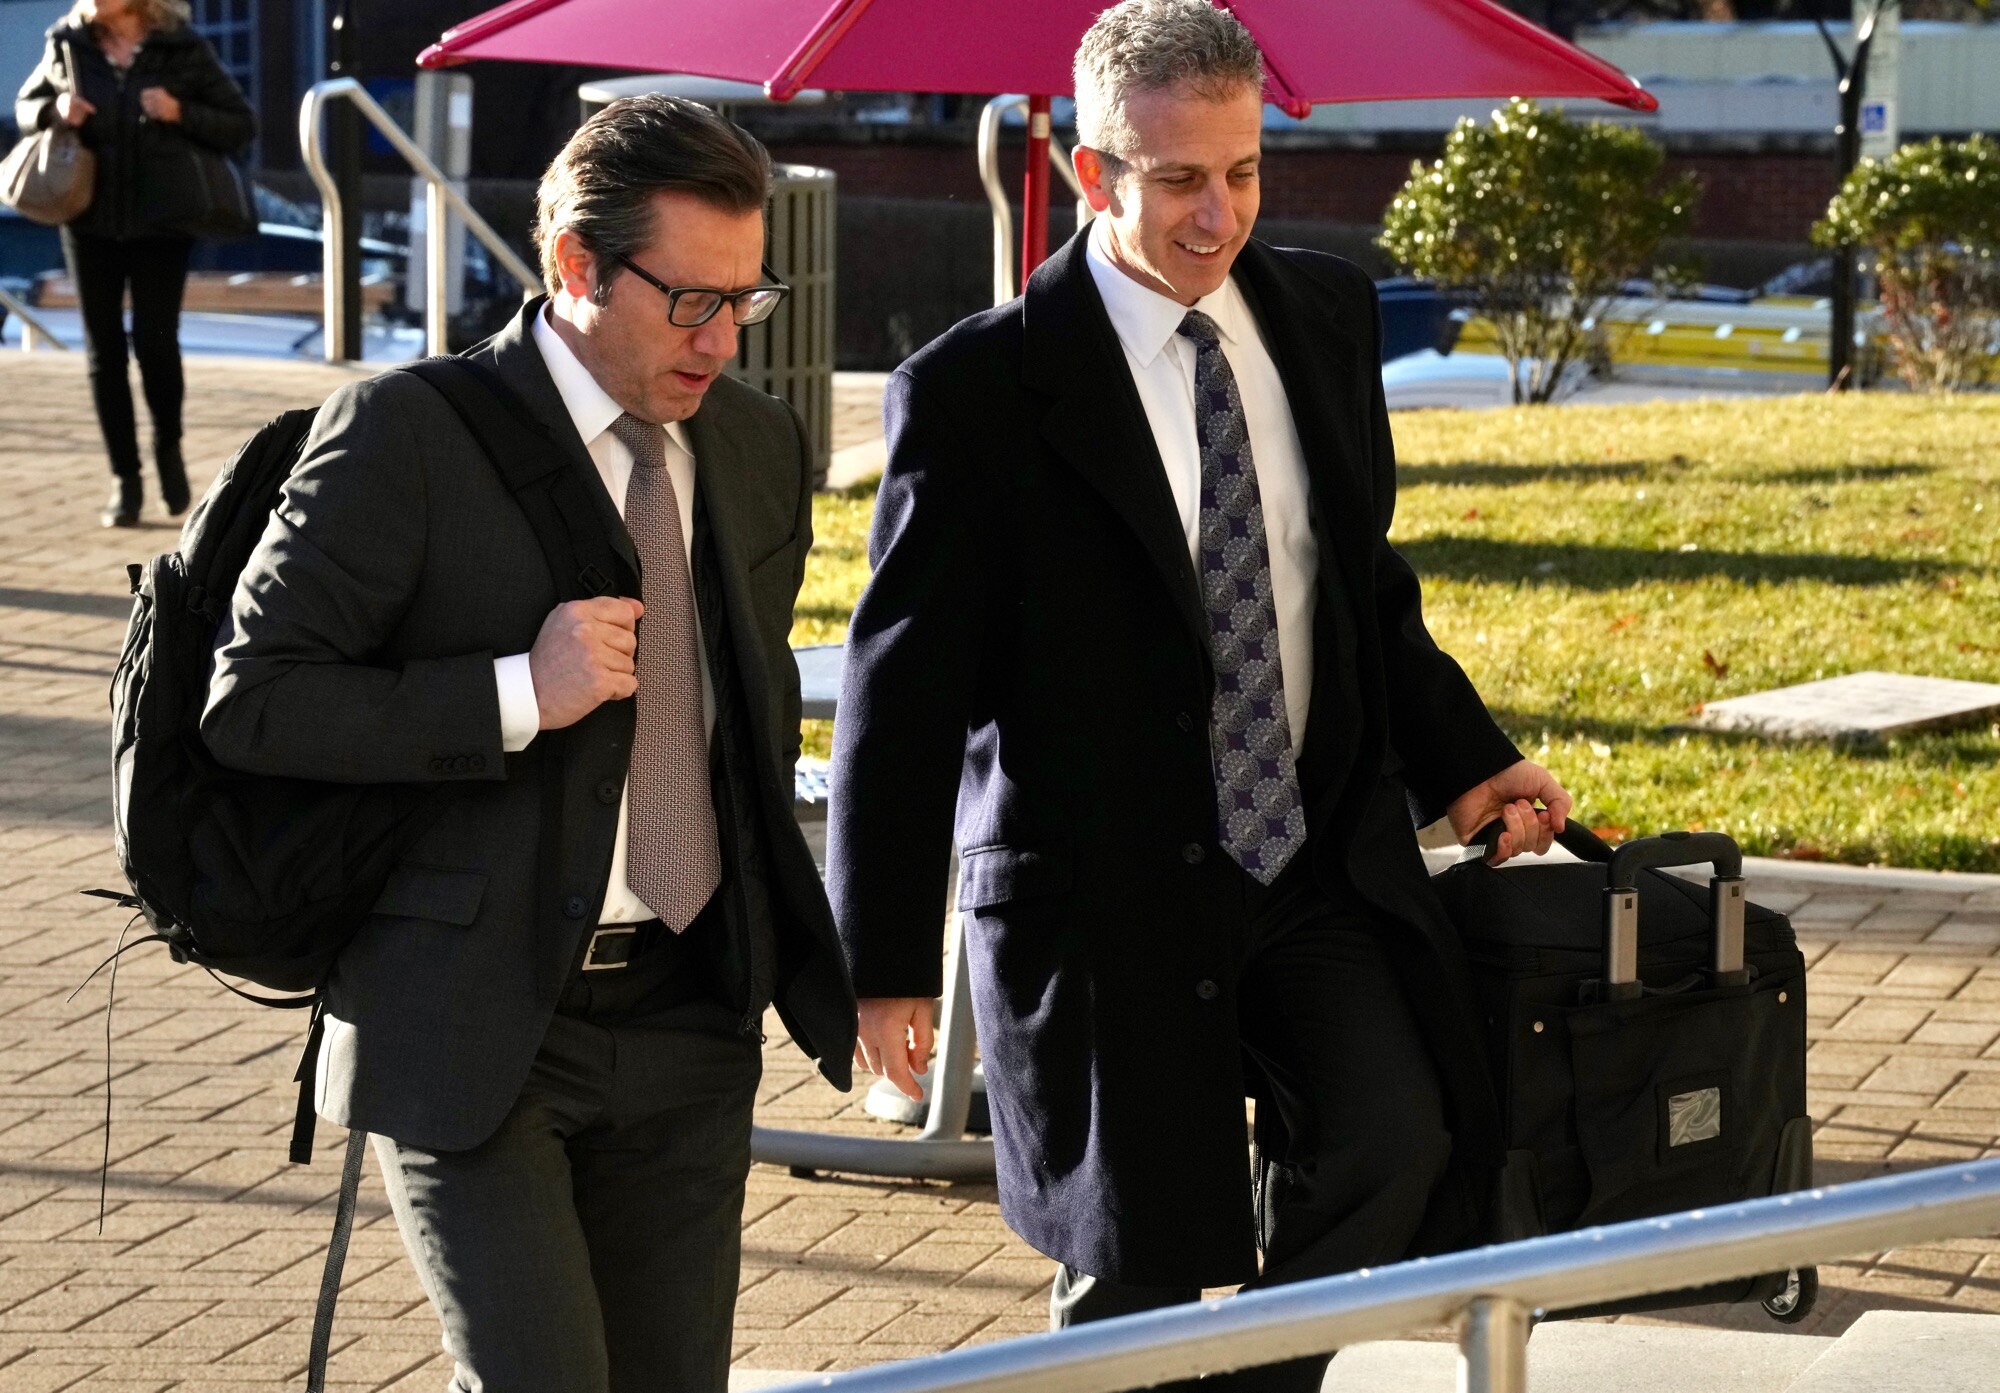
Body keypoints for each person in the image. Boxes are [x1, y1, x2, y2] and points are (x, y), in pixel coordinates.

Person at [827, 2, 1572, 1388]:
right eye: (1177, 179)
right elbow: (903, 687)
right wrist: (878, 962)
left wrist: (1466, 758)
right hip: (1100, 893)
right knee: (1137, 1256)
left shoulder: (1324, 317)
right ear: (1094, 172)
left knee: (1392, 1143)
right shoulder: (976, 389)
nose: (1216, 213)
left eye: (1242, 172)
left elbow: (1356, 586)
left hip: (1308, 860)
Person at [202, 95, 856, 1393]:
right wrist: (516, 690)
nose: (723, 339)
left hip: (688, 1015)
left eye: (746, 298)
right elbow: (254, 701)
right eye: (690, 300)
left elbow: (738, 718)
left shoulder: (755, 446)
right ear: (574, 264)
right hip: (475, 1021)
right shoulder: (407, 433)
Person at [14, 0, 253, 527]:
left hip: (162, 220)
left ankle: (168, 448)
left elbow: (241, 124)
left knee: (156, 343)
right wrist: (56, 111)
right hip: (88, 216)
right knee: (103, 353)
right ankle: (125, 478)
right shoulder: (68, 42)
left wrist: (179, 111)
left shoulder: (182, 47)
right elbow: (27, 107)